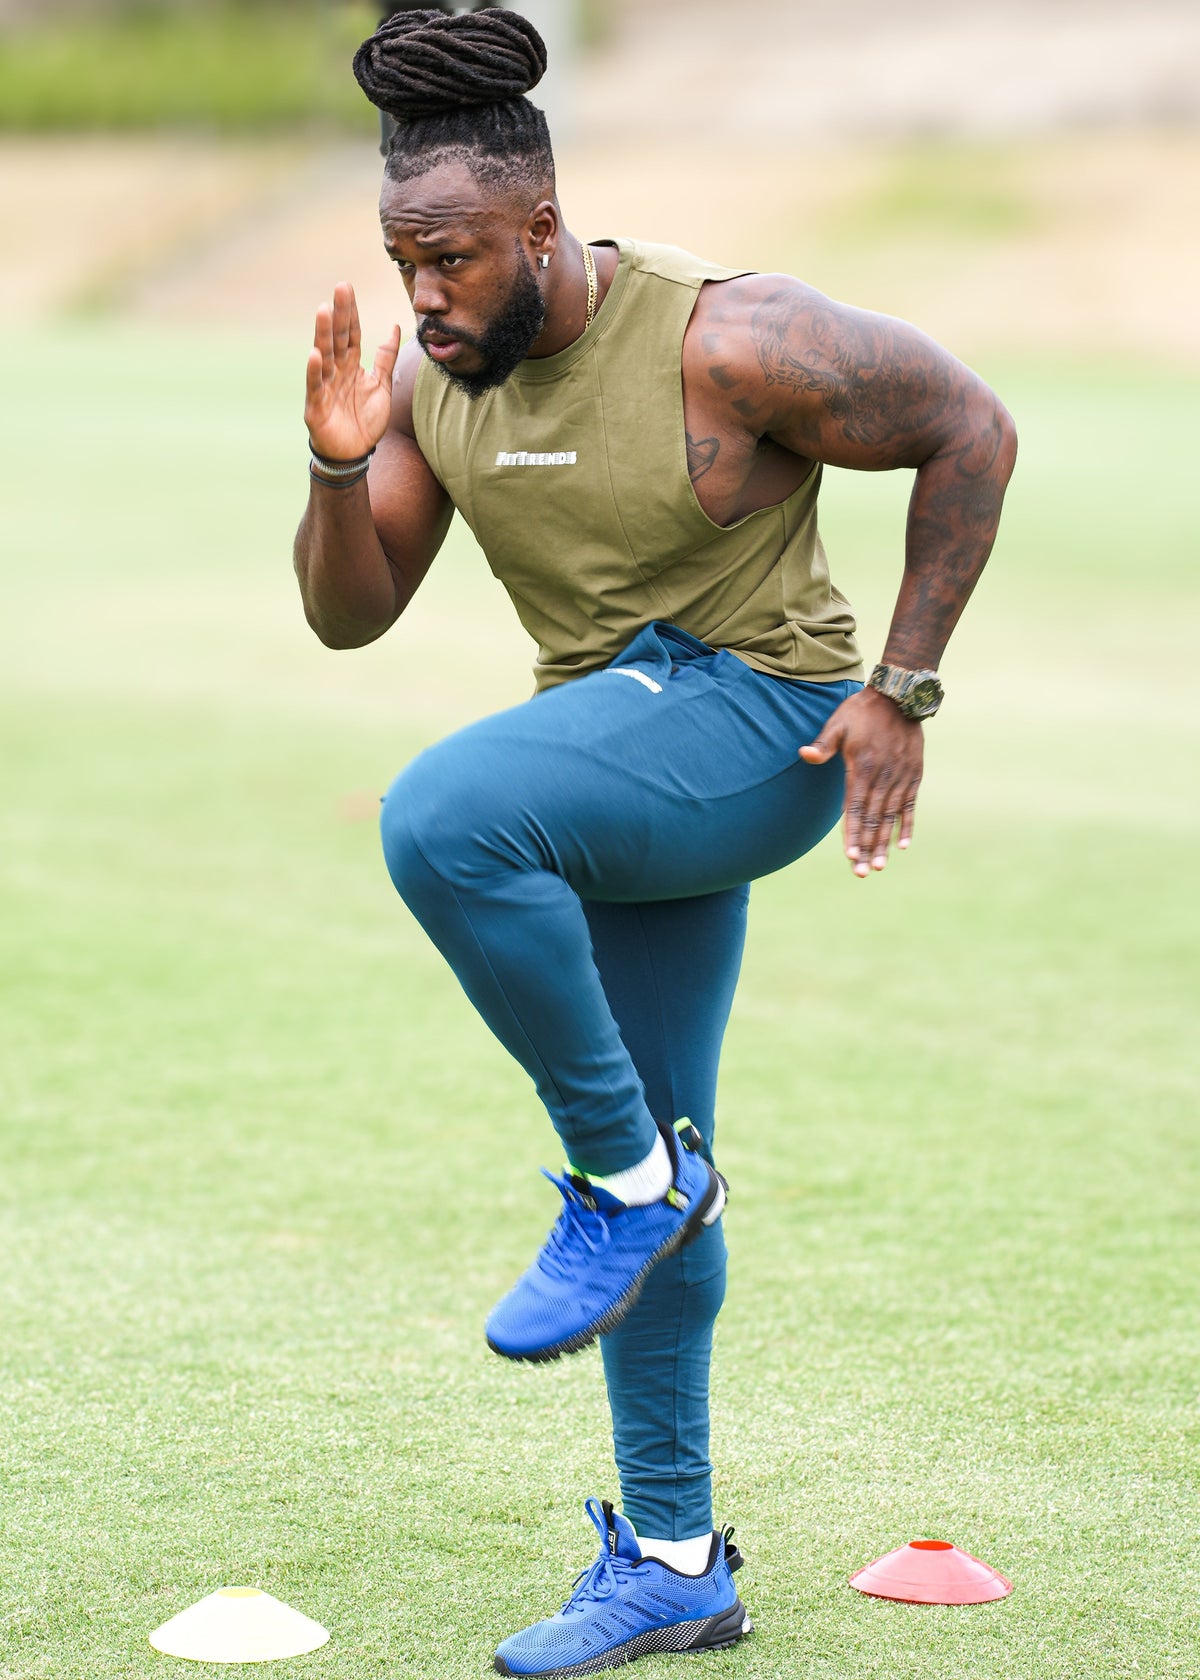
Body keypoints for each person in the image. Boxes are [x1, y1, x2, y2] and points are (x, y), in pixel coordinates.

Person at [293, 10, 1017, 1675]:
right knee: (669, 1154)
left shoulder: (730, 339)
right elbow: (350, 617)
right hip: (624, 751)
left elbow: (972, 426)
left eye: (456, 260)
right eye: (405, 263)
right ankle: (677, 1557)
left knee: (447, 815)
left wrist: (902, 686)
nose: (424, 297)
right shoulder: (431, 374)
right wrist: (339, 462)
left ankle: (621, 1177)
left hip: (767, 722)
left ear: (543, 229)